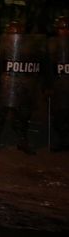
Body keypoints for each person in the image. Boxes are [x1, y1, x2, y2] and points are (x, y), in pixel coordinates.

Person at [0, 20, 42, 154]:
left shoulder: (29, 48)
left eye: (17, 33)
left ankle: (22, 141)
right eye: (12, 33)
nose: (14, 35)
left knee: (23, 115)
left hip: (22, 87)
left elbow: (37, 65)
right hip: (5, 85)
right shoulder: (1, 46)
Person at [48, 16, 69, 151]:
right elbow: (47, 66)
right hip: (58, 85)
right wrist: (47, 86)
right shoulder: (52, 44)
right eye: (61, 28)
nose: (63, 31)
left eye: (65, 28)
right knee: (59, 115)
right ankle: (62, 141)